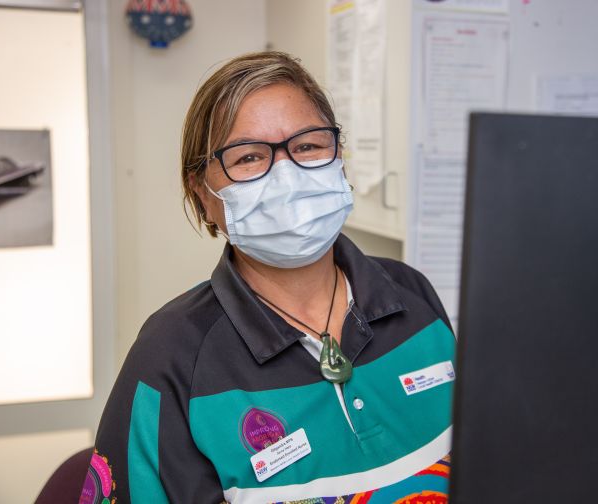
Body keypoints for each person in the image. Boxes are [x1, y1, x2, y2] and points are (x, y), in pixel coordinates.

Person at [80, 51, 456, 504]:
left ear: (339, 159)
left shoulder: (412, 294)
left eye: (308, 146)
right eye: (249, 158)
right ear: (203, 196)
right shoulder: (170, 357)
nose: (287, 176)